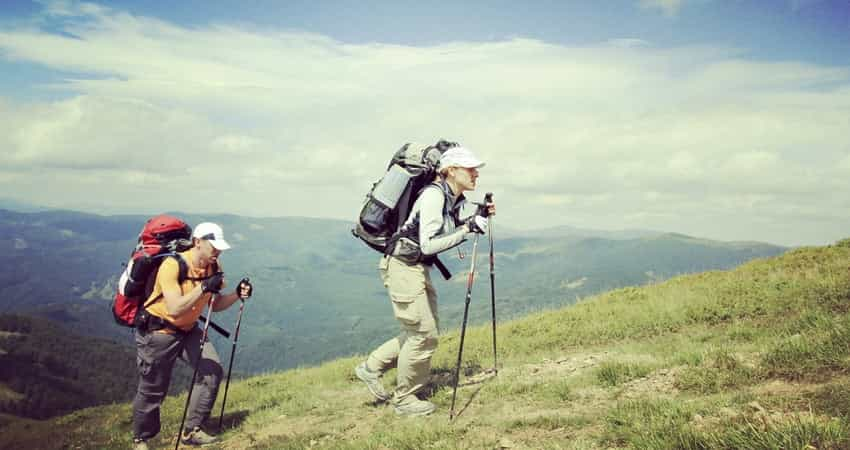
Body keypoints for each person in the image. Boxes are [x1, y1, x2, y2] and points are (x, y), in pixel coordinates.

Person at [355, 145, 496, 417]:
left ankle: (370, 368)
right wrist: (468, 229)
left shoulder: (449, 196)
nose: (476, 173)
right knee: (423, 333)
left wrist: (475, 217)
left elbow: (445, 229)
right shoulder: (434, 196)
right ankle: (405, 398)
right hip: (403, 268)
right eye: (470, 168)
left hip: (412, 268)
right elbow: (430, 244)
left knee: (419, 332)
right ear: (451, 171)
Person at [132, 222, 252, 450]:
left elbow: (214, 305)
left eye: (220, 248)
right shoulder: (172, 265)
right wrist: (205, 287)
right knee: (153, 388)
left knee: (212, 371)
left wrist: (236, 294)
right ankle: (141, 439)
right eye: (213, 246)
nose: (217, 251)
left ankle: (192, 430)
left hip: (188, 329)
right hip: (159, 331)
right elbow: (175, 307)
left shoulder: (213, 267)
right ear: (198, 242)